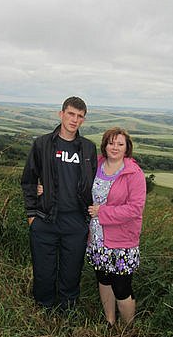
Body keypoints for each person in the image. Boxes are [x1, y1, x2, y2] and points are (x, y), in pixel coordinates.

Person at [21, 96, 97, 311]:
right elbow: (28, 180)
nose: (74, 119)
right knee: (43, 271)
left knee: (71, 272)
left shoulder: (88, 149)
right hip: (45, 219)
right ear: (61, 114)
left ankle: (67, 313)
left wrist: (88, 220)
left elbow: (94, 184)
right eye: (71, 114)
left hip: (75, 222)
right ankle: (43, 310)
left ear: (83, 120)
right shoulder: (42, 144)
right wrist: (31, 215)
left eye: (80, 116)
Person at [86, 127, 146, 325]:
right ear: (104, 145)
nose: (115, 147)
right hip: (97, 238)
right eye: (111, 143)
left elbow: (135, 209)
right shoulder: (96, 164)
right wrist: (45, 186)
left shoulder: (133, 173)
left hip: (122, 241)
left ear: (127, 147)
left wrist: (102, 212)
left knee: (121, 288)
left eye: (120, 144)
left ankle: (129, 330)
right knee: (103, 280)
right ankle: (110, 322)